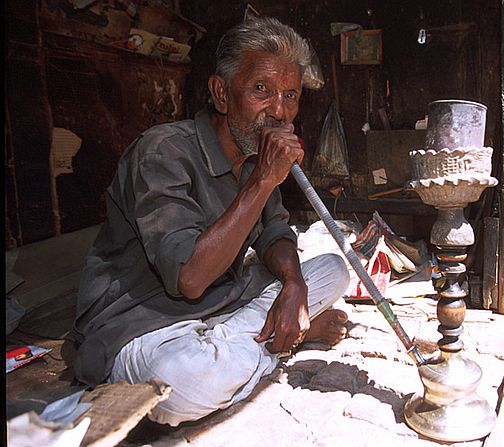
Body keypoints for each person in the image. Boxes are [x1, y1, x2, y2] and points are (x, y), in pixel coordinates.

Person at [72, 16, 350, 426]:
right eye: (261, 90)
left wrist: (294, 284)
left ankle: (239, 340)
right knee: (187, 382)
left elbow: (274, 232)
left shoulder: (254, 157)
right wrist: (262, 180)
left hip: (223, 301)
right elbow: (189, 279)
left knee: (335, 270)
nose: (279, 111)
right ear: (221, 93)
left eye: (290, 95)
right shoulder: (162, 151)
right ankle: (275, 340)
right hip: (145, 321)